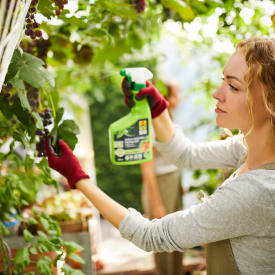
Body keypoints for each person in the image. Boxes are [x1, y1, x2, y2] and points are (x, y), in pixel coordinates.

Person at [44, 37, 275, 275]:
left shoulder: (258, 192)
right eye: (222, 81)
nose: (217, 93)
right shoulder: (245, 148)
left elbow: (151, 236)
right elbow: (185, 154)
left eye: (234, 86)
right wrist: (156, 107)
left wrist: (78, 178)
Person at [140, 81, 184, 275]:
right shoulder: (149, 124)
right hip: (159, 185)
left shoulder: (169, 121)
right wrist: (156, 203)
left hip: (173, 182)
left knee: (178, 239)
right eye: (176, 95)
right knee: (163, 243)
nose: (179, 100)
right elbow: (147, 169)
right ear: (165, 98)